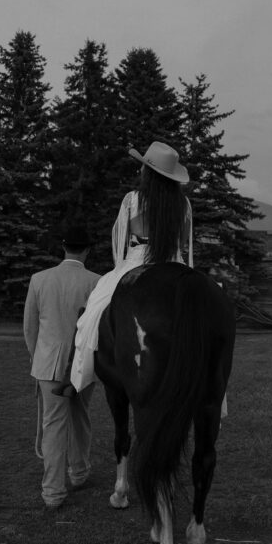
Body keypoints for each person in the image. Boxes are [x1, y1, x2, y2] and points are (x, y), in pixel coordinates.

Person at [69, 141, 193, 394]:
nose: (140, 170)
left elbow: (121, 240)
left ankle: (79, 374)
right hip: (174, 263)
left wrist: (121, 267)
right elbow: (183, 244)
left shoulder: (132, 200)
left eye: (144, 167)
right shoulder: (184, 205)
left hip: (136, 260)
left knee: (93, 311)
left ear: (149, 173)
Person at [23, 224, 100, 509]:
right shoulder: (97, 282)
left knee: (54, 425)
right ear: (87, 250)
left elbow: (30, 327)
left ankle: (53, 492)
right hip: (85, 363)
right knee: (80, 417)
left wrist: (39, 358)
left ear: (63, 247)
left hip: (49, 364)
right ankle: (78, 473)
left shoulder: (40, 279)